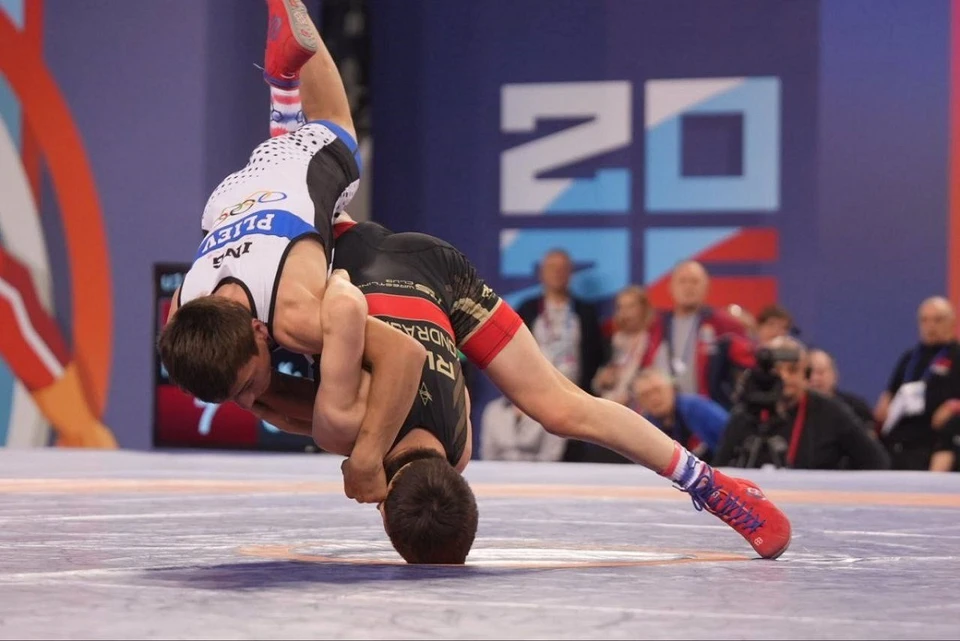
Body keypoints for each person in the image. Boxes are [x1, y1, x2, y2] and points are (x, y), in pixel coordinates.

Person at [159, 1, 793, 562]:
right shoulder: (326, 404)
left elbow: (397, 361)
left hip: (415, 273)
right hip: (368, 261)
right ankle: (284, 95)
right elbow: (352, 333)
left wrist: (351, 433)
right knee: (553, 405)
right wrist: (358, 452)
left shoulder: (453, 447)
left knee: (560, 409)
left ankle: (712, 485)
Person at [161, 0, 429, 503]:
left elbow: (406, 354)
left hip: (295, 169)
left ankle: (291, 44)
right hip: (228, 200)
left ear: (260, 331)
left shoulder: (296, 318)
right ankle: (283, 97)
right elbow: (253, 389)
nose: (246, 399)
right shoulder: (182, 318)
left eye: (244, 383)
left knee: (337, 129)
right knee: (297, 405)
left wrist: (368, 457)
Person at [714, 336, 890, 470]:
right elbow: (719, 469)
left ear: (806, 376)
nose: (785, 377)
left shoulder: (831, 412)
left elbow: (877, 461)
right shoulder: (746, 413)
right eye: (777, 370)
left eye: (793, 370)